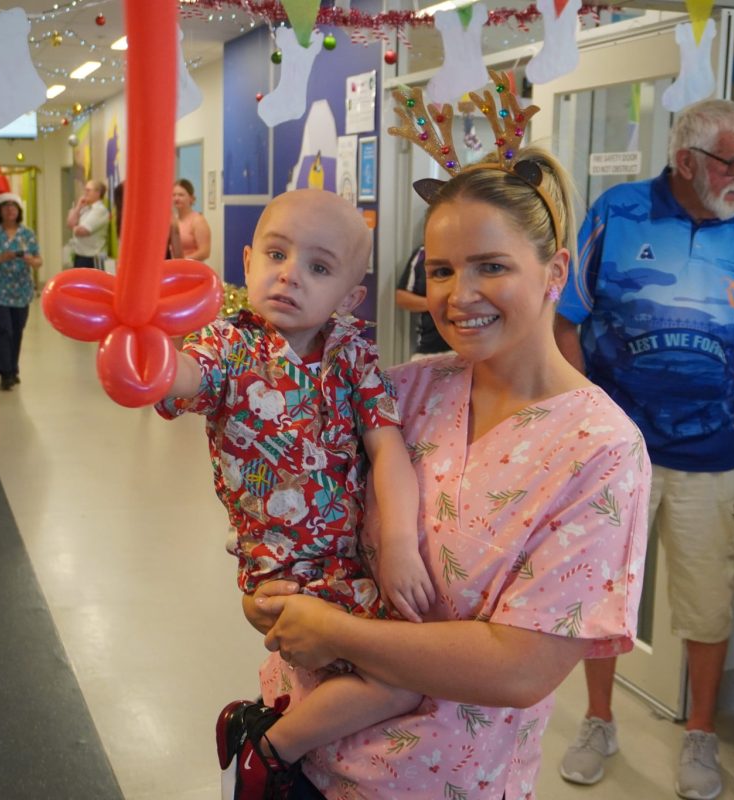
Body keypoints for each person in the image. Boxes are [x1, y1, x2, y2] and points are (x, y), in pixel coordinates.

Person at [242, 145, 649, 799]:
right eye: (440, 270)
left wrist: (333, 631)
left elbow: (521, 667)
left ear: (556, 271)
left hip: (437, 782)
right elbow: (298, 506)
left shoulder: (598, 450)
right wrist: (273, 592)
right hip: (298, 748)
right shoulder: (402, 393)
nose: (459, 297)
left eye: (492, 266)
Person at [155, 188, 435, 799]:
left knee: (394, 670)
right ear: (248, 261)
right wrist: (147, 349)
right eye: (276, 255)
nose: (290, 276)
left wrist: (398, 544)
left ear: (350, 296)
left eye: (319, 266)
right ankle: (269, 749)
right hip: (281, 569)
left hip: (347, 562)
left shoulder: (352, 352)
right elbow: (184, 376)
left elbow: (387, 447)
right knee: (399, 682)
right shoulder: (231, 343)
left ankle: (258, 728)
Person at [553, 98, 734, 799]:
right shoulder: (618, 212)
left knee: (707, 601)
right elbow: (565, 325)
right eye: (733, 161)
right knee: (605, 593)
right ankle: (598, 720)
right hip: (621, 449)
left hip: (712, 450)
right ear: (686, 161)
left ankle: (701, 734)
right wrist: (593, 425)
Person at [0, 192, 41, 391]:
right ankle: (5, 372)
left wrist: (31, 260)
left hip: (21, 292)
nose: (10, 209)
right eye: (5, 206)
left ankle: (13, 368)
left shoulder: (27, 234)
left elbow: (39, 261)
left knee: (17, 331)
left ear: (19, 210)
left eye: (14, 206)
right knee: (3, 330)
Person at [394, 243, 451, 359]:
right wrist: (437, 304)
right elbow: (401, 297)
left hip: (471, 349)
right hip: (431, 347)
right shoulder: (423, 253)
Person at [66, 178, 110, 268]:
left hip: (92, 259)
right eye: (85, 190)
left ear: (97, 193)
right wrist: (78, 207)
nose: (85, 193)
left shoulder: (100, 210)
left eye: (88, 190)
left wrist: (74, 227)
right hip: (80, 256)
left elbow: (82, 231)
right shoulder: (85, 208)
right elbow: (70, 222)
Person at [173, 178, 211, 261]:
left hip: (192, 269)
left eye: (181, 195)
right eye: (174, 195)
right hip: (175, 269)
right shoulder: (173, 221)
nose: (176, 198)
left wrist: (184, 261)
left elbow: (205, 252)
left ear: (191, 198)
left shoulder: (198, 221)